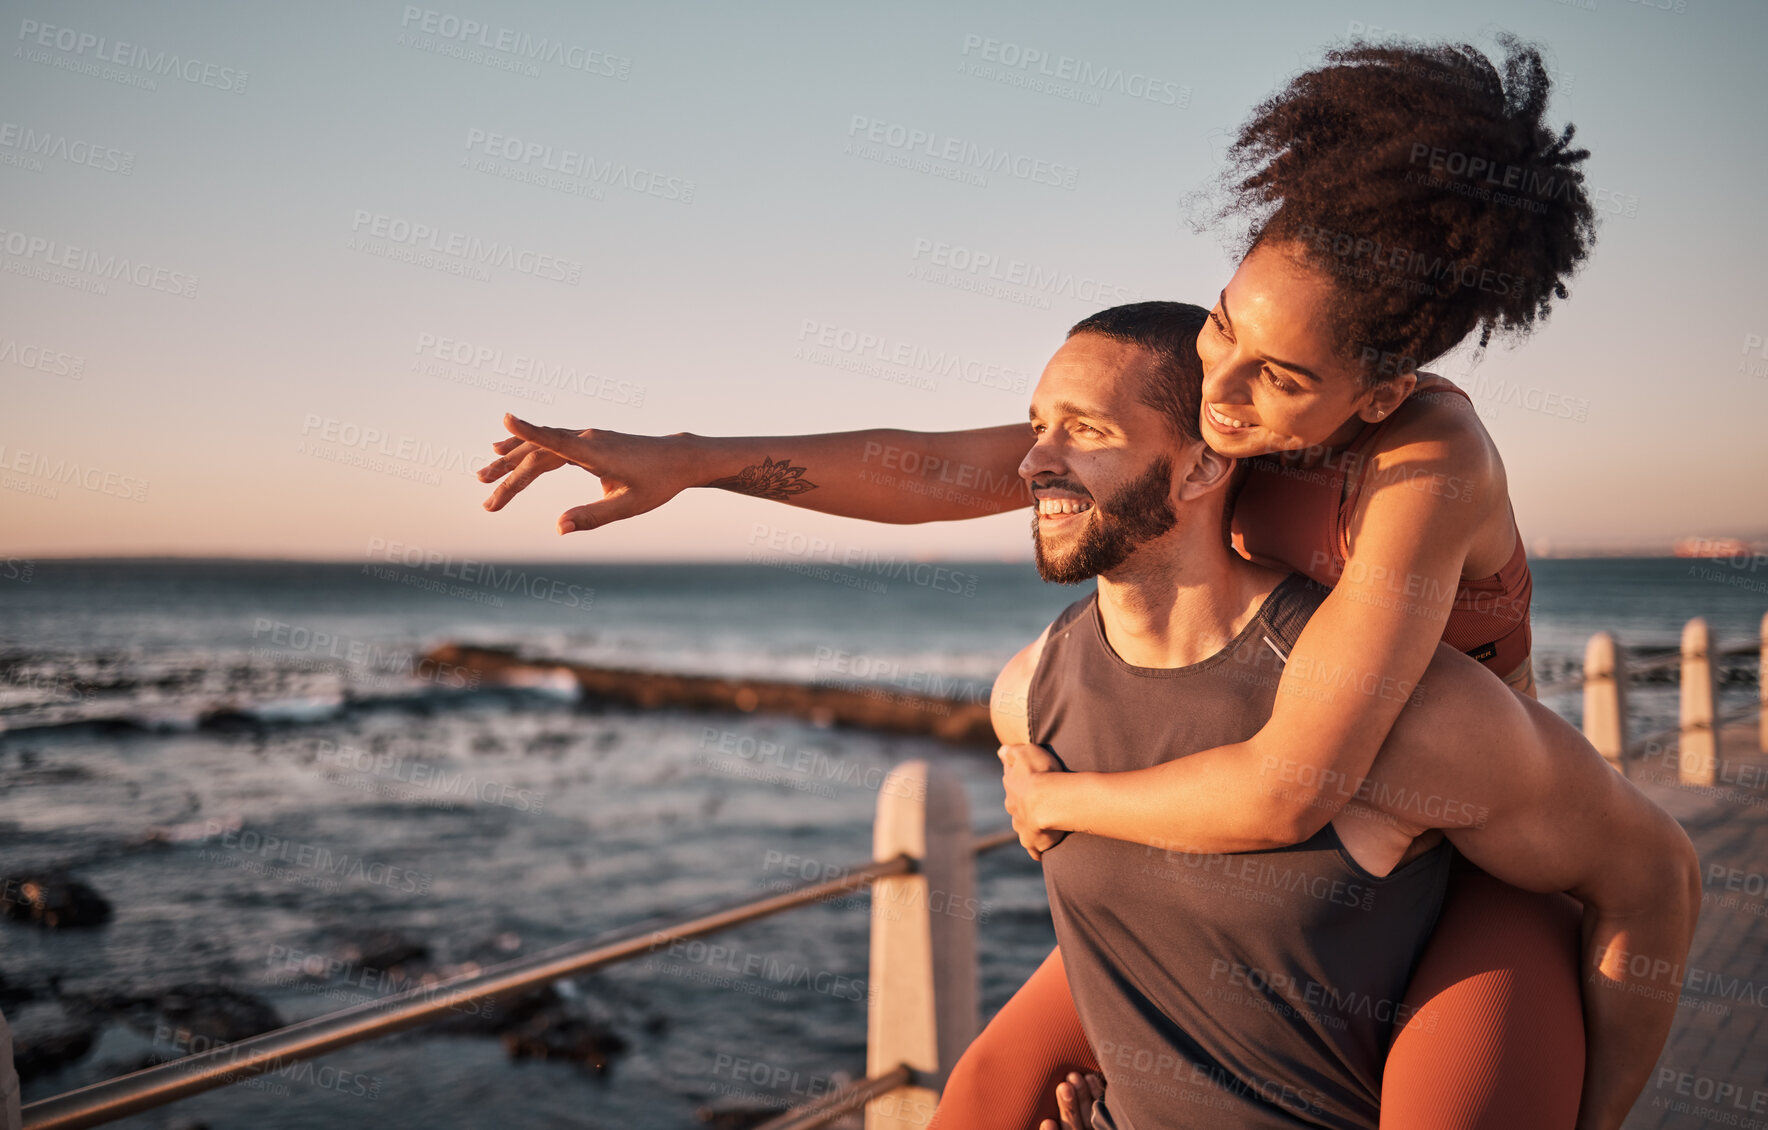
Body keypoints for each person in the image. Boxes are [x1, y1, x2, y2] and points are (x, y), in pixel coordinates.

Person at [477, 37, 1606, 1128]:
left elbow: (1289, 786)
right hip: (1288, 863)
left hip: (1462, 844)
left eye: (1275, 375)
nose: (1221, 384)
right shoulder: (1232, 426)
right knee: (983, 1092)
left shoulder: (1424, 468)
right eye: (1220, 324)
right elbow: (939, 467)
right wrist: (695, 459)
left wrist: (1050, 799)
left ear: (1376, 389)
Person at [982, 305, 1696, 1127]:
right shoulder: (1027, 699)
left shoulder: (1406, 718)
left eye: (1086, 431)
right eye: (1040, 426)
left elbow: (1655, 878)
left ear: (1203, 470)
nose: (1036, 459)